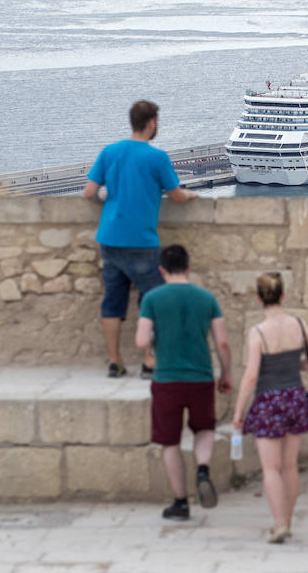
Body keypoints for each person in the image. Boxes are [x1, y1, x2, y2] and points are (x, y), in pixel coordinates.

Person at [84, 100, 199, 379]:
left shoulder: (110, 152)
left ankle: (115, 362)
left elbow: (90, 192)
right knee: (154, 300)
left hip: (109, 239)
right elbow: (176, 196)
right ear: (151, 123)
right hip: (141, 242)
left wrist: (105, 195)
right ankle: (149, 360)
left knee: (112, 301)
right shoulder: (156, 157)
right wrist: (191, 194)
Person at [135, 245, 232, 520]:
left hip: (167, 378)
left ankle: (180, 502)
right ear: (189, 267)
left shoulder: (152, 298)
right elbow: (222, 342)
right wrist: (226, 373)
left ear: (162, 270)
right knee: (204, 428)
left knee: (170, 442)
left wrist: (154, 344)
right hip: (200, 376)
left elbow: (141, 340)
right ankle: (203, 468)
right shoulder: (206, 298)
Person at [233, 272, 308, 544]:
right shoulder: (300, 324)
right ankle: (289, 520)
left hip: (269, 401)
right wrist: (293, 364)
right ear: (283, 295)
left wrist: (239, 412)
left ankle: (279, 523)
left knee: (270, 468)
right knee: (290, 465)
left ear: (259, 299)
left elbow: (251, 376)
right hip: (295, 397)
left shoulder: (258, 332)